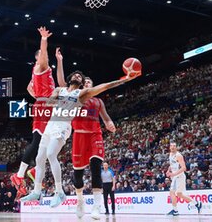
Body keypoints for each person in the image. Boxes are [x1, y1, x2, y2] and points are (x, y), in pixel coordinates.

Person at [21, 70, 138, 208]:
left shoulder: (81, 94)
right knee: (40, 158)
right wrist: (42, 96)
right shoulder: (59, 89)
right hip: (50, 125)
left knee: (51, 154)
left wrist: (125, 79)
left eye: (80, 77)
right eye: (75, 75)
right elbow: (49, 103)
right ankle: (36, 191)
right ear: (70, 79)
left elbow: (105, 86)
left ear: (82, 83)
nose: (77, 76)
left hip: (63, 126)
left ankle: (59, 192)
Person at [10, 27, 66, 195]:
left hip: (46, 106)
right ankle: (19, 175)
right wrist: (43, 39)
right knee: (38, 141)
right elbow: (43, 53)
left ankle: (32, 171)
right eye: (44, 55)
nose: (46, 57)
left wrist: (39, 96)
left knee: (51, 143)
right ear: (39, 57)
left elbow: (29, 87)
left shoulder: (40, 72)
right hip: (44, 107)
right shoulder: (40, 66)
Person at [71, 77, 116, 219]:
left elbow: (105, 116)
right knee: (77, 176)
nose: (87, 84)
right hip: (79, 136)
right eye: (85, 83)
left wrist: (109, 123)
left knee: (96, 167)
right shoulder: (77, 97)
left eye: (89, 82)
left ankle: (97, 206)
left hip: (95, 135)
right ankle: (80, 201)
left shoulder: (99, 102)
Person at [166, 142, 202, 216]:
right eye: (171, 146)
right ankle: (197, 204)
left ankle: (175, 211)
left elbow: (184, 168)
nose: (172, 147)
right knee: (179, 194)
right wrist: (168, 170)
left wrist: (173, 174)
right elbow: (172, 164)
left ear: (176, 147)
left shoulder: (178, 155)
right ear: (169, 147)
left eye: (174, 146)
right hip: (176, 176)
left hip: (179, 176)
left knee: (172, 192)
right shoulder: (170, 154)